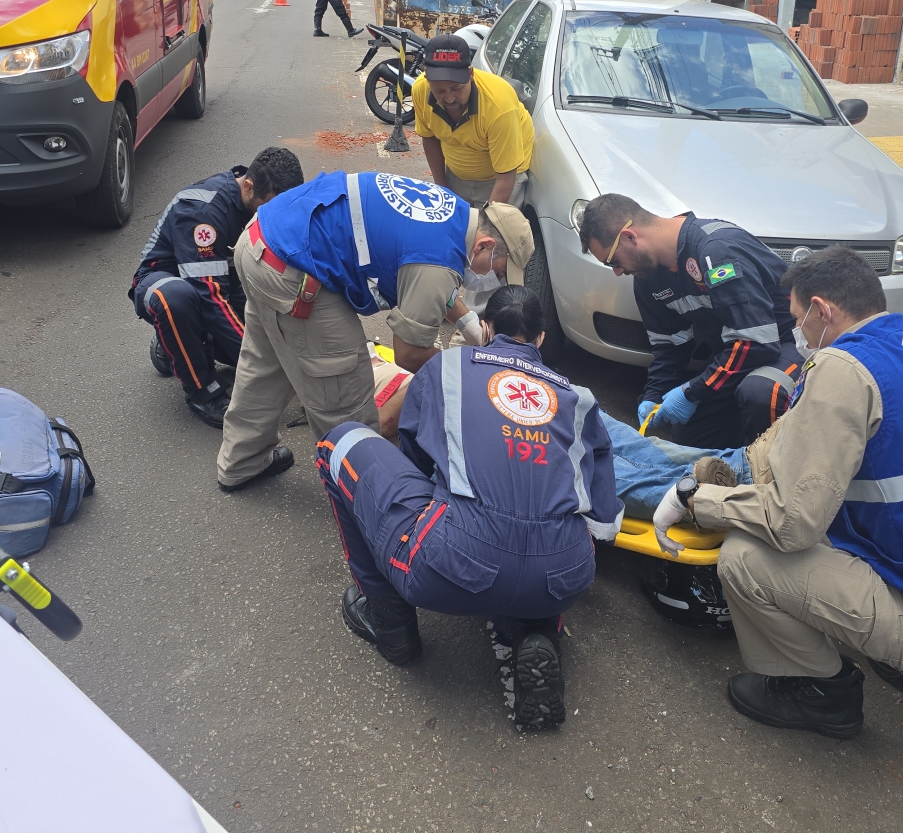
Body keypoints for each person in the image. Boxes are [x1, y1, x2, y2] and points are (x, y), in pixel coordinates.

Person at [652, 246, 903, 739]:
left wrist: (695, 500)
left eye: (799, 320)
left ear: (823, 310)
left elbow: (792, 523)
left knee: (745, 556)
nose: (797, 336)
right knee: (819, 514)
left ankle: (823, 693)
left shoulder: (841, 370)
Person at [315, 285, 623, 726]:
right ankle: (537, 628)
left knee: (339, 442)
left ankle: (389, 622)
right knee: (544, 538)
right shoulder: (581, 399)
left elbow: (417, 462)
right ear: (540, 339)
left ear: (488, 329)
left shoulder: (449, 367)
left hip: (458, 562)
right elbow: (604, 522)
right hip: (564, 575)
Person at [215, 171, 534, 491]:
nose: (495, 279)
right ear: (485, 245)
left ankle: (241, 463)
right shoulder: (439, 261)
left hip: (262, 239)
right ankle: (370, 499)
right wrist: (470, 376)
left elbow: (428, 282)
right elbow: (409, 352)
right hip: (294, 273)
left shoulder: (454, 214)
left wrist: (469, 327)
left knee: (265, 364)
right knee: (344, 391)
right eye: (500, 270)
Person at [578, 193, 804, 449]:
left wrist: (693, 390)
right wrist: (653, 395)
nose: (618, 272)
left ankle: (770, 476)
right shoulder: (647, 278)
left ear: (630, 237)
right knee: (690, 435)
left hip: (792, 342)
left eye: (613, 262)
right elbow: (669, 345)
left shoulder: (716, 250)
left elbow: (755, 342)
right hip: (741, 353)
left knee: (763, 394)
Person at [130, 148, 304, 427]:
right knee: (175, 300)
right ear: (248, 187)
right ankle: (202, 391)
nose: (275, 216)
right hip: (164, 279)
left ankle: (178, 344)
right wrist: (259, 358)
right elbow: (210, 297)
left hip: (220, 279)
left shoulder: (267, 198)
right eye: (268, 207)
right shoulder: (204, 211)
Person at [412, 34, 534, 209]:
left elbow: (506, 176)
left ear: (470, 74)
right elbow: (429, 137)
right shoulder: (420, 90)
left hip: (500, 177)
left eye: (456, 88)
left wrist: (487, 226)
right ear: (428, 80)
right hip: (456, 173)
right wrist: (441, 189)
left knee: (495, 232)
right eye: (440, 91)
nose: (450, 98)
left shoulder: (499, 105)